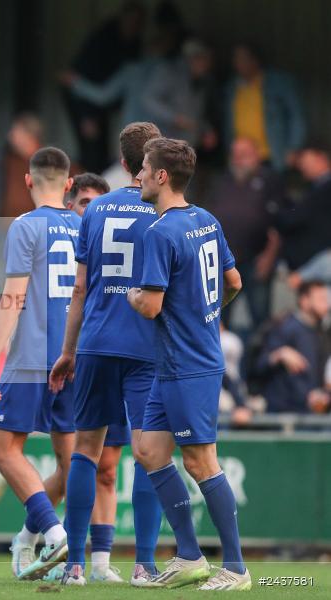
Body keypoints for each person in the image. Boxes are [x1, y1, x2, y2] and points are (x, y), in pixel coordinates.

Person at [127, 137, 249, 590]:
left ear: (161, 176)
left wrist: (132, 294)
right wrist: (207, 314)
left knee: (201, 463)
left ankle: (236, 568)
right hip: (177, 361)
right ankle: (190, 556)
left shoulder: (160, 233)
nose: (138, 175)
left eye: (144, 167)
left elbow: (151, 306)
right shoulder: (205, 219)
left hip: (187, 364)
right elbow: (234, 281)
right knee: (149, 452)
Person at [48, 122, 164, 586]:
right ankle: (145, 565)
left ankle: (75, 566)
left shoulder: (95, 209)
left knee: (86, 450)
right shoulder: (164, 211)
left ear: (122, 162)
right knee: (149, 453)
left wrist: (68, 351)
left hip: (95, 343)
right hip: (145, 345)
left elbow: (79, 288)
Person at [0, 147, 76, 581]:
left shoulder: (24, 225)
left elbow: (14, 296)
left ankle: (54, 535)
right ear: (69, 184)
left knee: (4, 450)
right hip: (75, 358)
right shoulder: (84, 225)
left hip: (33, 357)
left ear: (27, 180)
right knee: (71, 465)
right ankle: (31, 539)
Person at [206, 137, 283, 330]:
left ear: (257, 156)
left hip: (256, 259)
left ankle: (261, 351)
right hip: (223, 261)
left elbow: (279, 224)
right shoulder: (222, 180)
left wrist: (269, 257)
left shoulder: (270, 180)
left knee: (261, 319)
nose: (239, 159)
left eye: (244, 155)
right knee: (218, 318)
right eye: (235, 155)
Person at [61, 1, 146, 172]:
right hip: (83, 99)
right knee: (91, 148)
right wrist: (86, 115)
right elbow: (82, 76)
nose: (133, 26)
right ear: (122, 18)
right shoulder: (103, 39)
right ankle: (87, 185)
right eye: (131, 21)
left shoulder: (134, 43)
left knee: (103, 151)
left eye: (137, 23)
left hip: (102, 102)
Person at [225, 42, 306, 172]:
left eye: (242, 59)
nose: (238, 63)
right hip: (241, 157)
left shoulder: (277, 83)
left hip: (271, 156)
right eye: (236, 59)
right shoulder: (231, 87)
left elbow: (296, 116)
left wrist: (293, 148)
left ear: (255, 61)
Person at [254, 281, 330, 414]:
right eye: (321, 299)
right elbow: (258, 365)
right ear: (304, 300)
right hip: (282, 413)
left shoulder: (323, 333)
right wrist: (279, 354)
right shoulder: (285, 327)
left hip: (311, 413)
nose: (327, 305)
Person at [279, 140, 331, 282]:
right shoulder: (314, 187)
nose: (301, 165)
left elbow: (295, 218)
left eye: (305, 160)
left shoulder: (325, 188)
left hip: (320, 269)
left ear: (320, 158)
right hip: (310, 267)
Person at [0, 114, 45, 218]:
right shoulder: (7, 160)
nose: (10, 136)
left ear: (29, 135)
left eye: (15, 132)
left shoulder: (50, 162)